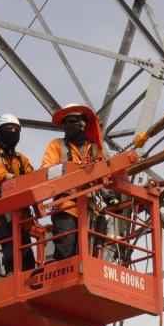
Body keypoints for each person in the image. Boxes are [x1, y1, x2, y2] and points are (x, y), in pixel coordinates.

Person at [42, 104, 106, 261]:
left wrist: (110, 195)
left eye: (73, 121)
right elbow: (47, 171)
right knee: (67, 247)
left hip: (90, 207)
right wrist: (73, 171)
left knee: (91, 248)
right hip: (66, 204)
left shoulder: (94, 148)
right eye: (66, 122)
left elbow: (104, 173)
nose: (69, 125)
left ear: (83, 123)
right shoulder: (57, 145)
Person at [0, 114, 36, 276]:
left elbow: (34, 178)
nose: (12, 132)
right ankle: (12, 273)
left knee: (24, 246)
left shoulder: (21, 160)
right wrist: (18, 180)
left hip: (18, 213)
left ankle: (30, 275)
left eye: (15, 130)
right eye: (8, 130)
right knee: (10, 237)